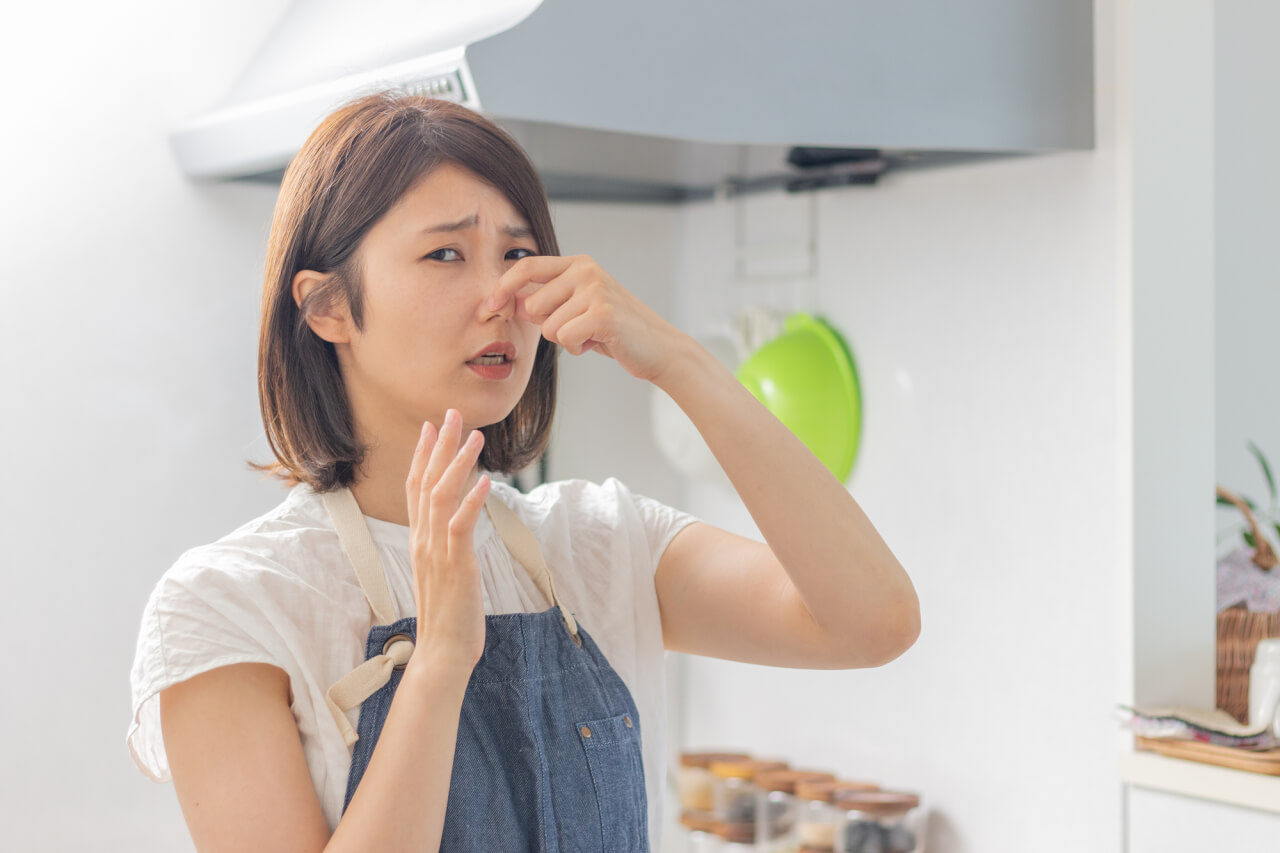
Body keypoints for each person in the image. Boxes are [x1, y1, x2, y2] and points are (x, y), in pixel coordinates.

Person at [127, 91, 920, 853]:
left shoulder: (598, 541)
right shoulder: (227, 607)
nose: (501, 295)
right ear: (327, 305)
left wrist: (680, 362)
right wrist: (438, 661)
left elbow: (873, 621)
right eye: (445, 253)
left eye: (517, 253)